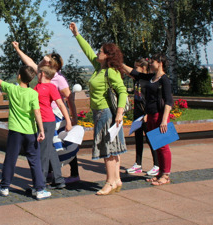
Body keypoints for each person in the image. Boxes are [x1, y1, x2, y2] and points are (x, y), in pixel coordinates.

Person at [69, 22, 127, 195]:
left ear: (108, 56)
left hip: (106, 114)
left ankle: (109, 182)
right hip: (102, 113)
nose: (97, 53)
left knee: (107, 148)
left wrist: (119, 113)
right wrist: (77, 34)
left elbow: (122, 91)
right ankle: (116, 179)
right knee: (113, 147)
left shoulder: (111, 71)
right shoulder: (99, 67)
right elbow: (87, 51)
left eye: (101, 51)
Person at [12, 42, 80, 184]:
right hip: (44, 113)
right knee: (49, 146)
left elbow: (68, 99)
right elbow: (29, 61)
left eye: (47, 61)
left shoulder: (58, 79)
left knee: (49, 146)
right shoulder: (43, 75)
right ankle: (55, 176)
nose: (43, 62)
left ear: (53, 66)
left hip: (54, 113)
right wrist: (18, 50)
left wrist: (72, 119)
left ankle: (51, 177)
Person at [0, 53, 51, 200]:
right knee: (34, 161)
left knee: (10, 159)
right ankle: (39, 190)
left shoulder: (12, 89)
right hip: (30, 132)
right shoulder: (32, 93)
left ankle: (4, 187)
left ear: (19, 77)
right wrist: (41, 130)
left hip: (15, 131)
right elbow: (37, 113)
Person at [122, 53, 173, 186]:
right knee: (157, 145)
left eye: (153, 61)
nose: (150, 63)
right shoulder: (152, 77)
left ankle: (166, 175)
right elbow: (136, 73)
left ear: (160, 63)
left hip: (159, 116)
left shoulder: (164, 80)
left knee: (163, 147)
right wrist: (119, 63)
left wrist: (164, 120)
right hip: (150, 115)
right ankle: (160, 173)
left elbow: (169, 101)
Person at [34, 65, 72, 189]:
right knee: (50, 149)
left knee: (44, 152)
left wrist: (68, 121)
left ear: (43, 74)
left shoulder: (51, 87)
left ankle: (42, 181)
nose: (37, 75)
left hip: (47, 122)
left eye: (39, 73)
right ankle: (59, 179)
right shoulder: (38, 86)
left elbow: (60, 104)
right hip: (42, 121)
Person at [126, 58, 159, 176]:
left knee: (151, 139)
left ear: (143, 68)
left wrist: (147, 114)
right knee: (138, 139)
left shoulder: (149, 80)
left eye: (136, 67)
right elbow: (127, 71)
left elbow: (151, 98)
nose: (134, 69)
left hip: (146, 114)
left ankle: (157, 164)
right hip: (137, 114)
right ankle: (138, 164)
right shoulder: (137, 79)